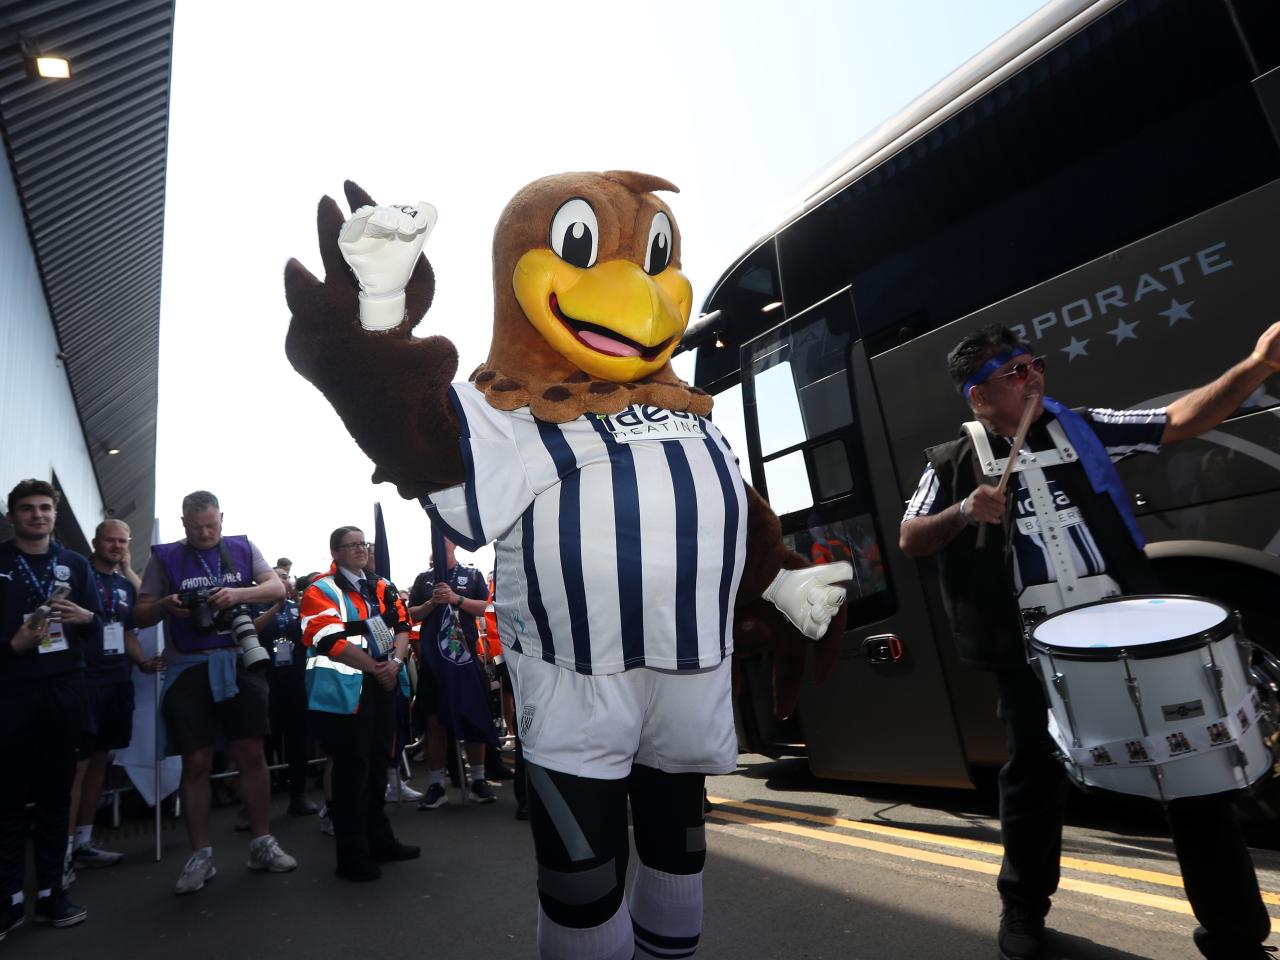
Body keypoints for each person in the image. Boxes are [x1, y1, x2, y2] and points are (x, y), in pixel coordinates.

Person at [899, 322, 1280, 960]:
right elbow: (912, 536)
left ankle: (1236, 936)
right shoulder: (951, 460)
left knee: (1188, 770)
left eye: (1034, 365)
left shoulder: (1080, 426)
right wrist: (964, 512)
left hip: (1123, 630)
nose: (1033, 378)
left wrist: (1257, 365)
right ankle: (1022, 912)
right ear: (978, 397)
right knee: (1033, 782)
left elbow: (1177, 420)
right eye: (1013, 373)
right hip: (1031, 650)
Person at [134, 490, 296, 895]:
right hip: (188, 665)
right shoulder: (165, 555)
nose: (205, 533)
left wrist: (237, 594)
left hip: (239, 659)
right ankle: (200, 854)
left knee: (252, 753)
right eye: (195, 527)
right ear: (183, 523)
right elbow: (138, 612)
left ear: (221, 518)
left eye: (211, 525)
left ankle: (262, 842)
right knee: (196, 761)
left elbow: (276, 589)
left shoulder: (242, 547)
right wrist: (166, 605)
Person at [0, 479, 100, 934]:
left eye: (44, 507)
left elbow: (99, 628)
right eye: (27, 509)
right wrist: (13, 646)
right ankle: (9, 898)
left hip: (64, 689)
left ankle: (50, 893)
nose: (37, 515)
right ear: (12, 515)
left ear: (55, 513)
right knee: (8, 798)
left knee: (56, 796)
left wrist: (87, 619)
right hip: (11, 692)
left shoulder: (75, 563)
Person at [299, 527, 419, 881]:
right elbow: (327, 639)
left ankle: (380, 841)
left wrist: (394, 664)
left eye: (362, 544)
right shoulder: (319, 589)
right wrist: (376, 668)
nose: (360, 550)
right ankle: (351, 856)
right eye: (351, 545)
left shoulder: (382, 585)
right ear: (335, 552)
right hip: (343, 692)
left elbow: (402, 625)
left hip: (383, 684)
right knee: (353, 771)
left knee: (380, 763)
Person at [66, 520, 161, 883]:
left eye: (124, 541)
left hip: (116, 681)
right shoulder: (77, 574)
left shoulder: (124, 583)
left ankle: (83, 843)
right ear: (96, 541)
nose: (118, 546)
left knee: (100, 764)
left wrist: (143, 662)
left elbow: (131, 627)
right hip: (81, 682)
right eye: (111, 540)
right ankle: (60, 853)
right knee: (75, 766)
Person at [408, 538, 497, 808]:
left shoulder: (472, 574)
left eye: (443, 541)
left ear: (453, 545)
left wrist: (456, 599)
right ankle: (436, 784)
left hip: (466, 658)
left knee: (473, 713)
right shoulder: (423, 579)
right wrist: (433, 603)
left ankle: (478, 780)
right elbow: (411, 614)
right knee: (435, 721)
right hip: (434, 662)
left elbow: (487, 607)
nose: (438, 545)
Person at [252, 567, 319, 816]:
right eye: (276, 577)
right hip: (264, 681)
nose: (283, 580)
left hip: (294, 680)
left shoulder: (298, 608)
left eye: (285, 577)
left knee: (297, 740)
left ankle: (298, 795)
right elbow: (251, 630)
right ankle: (255, 806)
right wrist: (273, 607)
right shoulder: (254, 607)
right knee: (264, 743)